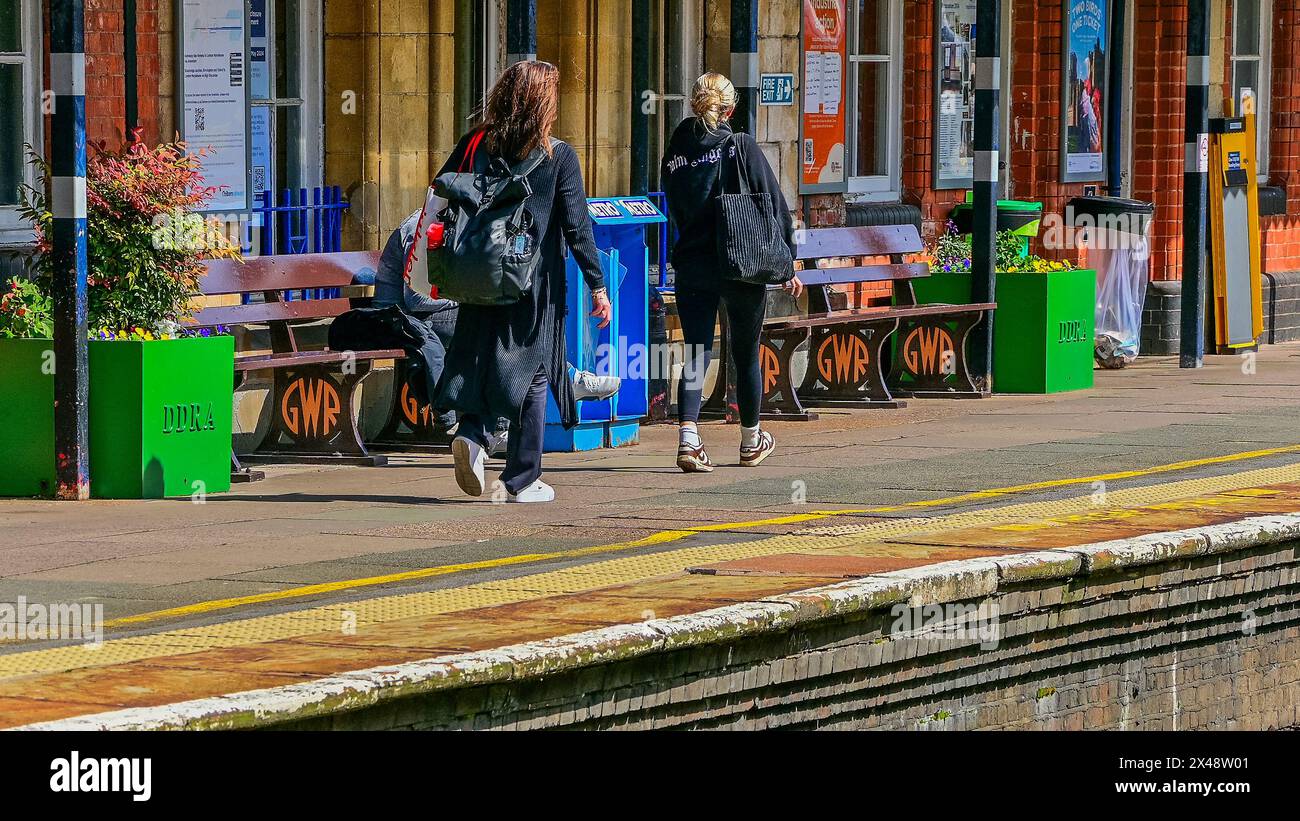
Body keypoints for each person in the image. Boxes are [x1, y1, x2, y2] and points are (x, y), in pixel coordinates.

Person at [433, 60, 611, 504]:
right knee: (532, 373)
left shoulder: (476, 142)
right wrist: (598, 285)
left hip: (477, 274)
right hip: (532, 283)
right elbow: (577, 226)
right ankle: (521, 477)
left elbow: (443, 190)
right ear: (542, 105)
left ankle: (472, 436)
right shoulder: (558, 156)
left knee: (478, 358)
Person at [373, 208, 621, 451]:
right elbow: (416, 299)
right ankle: (563, 381)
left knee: (509, 321)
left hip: (430, 315)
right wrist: (468, 297)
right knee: (498, 325)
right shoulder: (425, 225)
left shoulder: (465, 224)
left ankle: (548, 390)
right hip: (405, 318)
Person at [660, 72, 802, 473]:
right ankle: (751, 441)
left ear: (694, 104)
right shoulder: (740, 145)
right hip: (741, 262)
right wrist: (787, 260)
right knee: (744, 352)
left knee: (696, 352)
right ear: (730, 109)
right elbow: (774, 205)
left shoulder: (676, 150)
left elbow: (672, 199)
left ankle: (689, 438)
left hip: (692, 263)